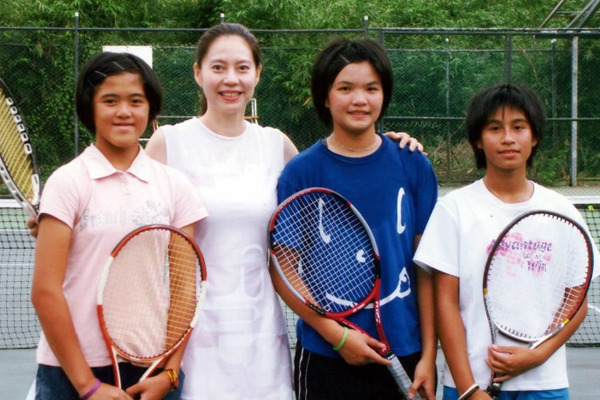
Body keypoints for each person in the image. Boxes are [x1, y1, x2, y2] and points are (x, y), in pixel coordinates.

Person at [143, 23, 424, 400]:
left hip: (262, 334)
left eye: (243, 68)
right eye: (218, 67)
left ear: (257, 74)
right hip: (194, 336)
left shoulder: (277, 146)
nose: (231, 79)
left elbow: (334, 169)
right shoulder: (168, 143)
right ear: (197, 72)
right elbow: (130, 214)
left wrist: (394, 145)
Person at [30, 51, 208, 400]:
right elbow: (44, 291)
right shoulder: (68, 182)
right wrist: (87, 386)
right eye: (110, 100)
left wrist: (170, 373)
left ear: (150, 108)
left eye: (136, 101)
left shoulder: (175, 186)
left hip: (152, 369)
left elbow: (187, 290)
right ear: (90, 108)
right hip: (70, 372)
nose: (124, 111)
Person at [272, 37, 439, 400]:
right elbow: (282, 269)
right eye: (345, 88)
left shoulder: (413, 163)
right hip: (325, 356)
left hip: (408, 352)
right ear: (325, 96)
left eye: (371, 88)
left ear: (384, 95)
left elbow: (427, 269)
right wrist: (338, 335)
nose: (359, 99)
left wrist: (429, 354)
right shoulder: (301, 173)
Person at [413, 83, 600, 400]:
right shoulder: (454, 209)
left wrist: (539, 354)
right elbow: (444, 302)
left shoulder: (563, 212)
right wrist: (469, 388)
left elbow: (576, 301)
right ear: (478, 140)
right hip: (467, 384)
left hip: (546, 384)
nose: (508, 138)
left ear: (535, 136)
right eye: (495, 128)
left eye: (519, 127)